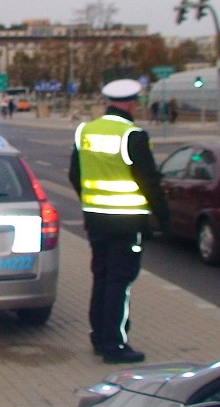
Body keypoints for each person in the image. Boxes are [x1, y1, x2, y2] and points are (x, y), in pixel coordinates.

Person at [68, 79, 170, 364]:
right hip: (126, 222)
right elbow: (149, 181)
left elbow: (74, 175)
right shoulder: (132, 135)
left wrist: (90, 201)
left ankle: (99, 337)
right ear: (130, 103)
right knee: (119, 283)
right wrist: (164, 218)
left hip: (95, 220)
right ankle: (115, 345)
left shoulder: (85, 131)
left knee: (101, 278)